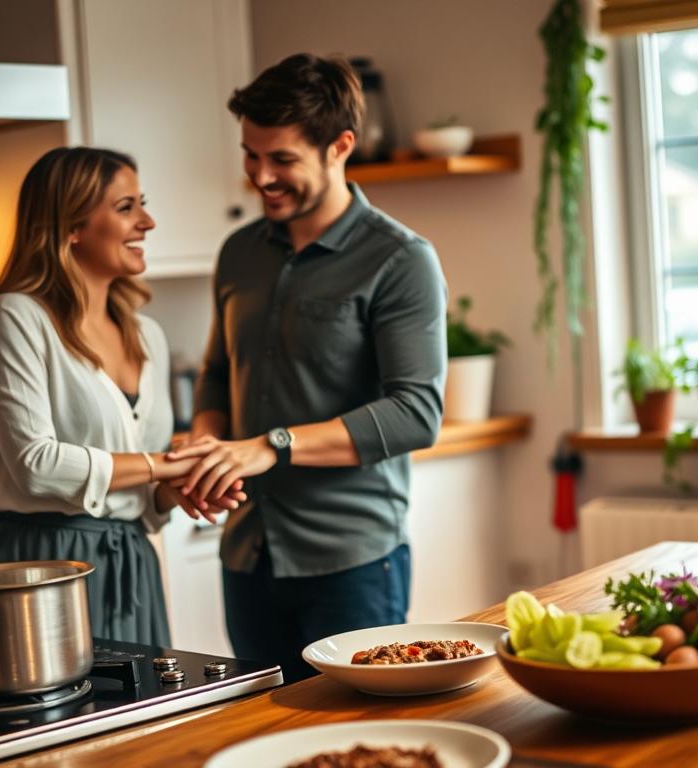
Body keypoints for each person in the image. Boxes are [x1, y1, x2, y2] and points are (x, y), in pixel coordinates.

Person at [168, 54, 448, 681]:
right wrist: (206, 445)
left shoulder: (400, 259)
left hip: (350, 562)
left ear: (339, 147)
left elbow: (416, 414)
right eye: (250, 155)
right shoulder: (238, 253)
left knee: (355, 729)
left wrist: (271, 446)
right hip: (247, 554)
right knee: (262, 727)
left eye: (282, 159)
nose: (261, 177)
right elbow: (217, 372)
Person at [0, 146, 244, 647]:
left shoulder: (146, 335)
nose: (147, 223)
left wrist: (176, 488)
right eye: (126, 207)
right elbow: (34, 465)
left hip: (130, 563)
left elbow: (138, 490)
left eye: (142, 205)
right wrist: (162, 465)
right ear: (71, 225)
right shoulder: (16, 317)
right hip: (41, 567)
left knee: (144, 699)